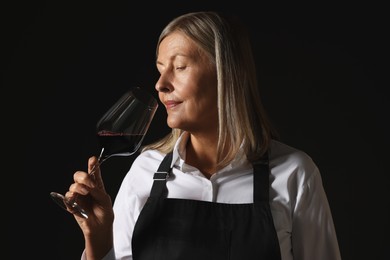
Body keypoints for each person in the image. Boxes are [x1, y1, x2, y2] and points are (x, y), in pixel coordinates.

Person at [64, 11, 342, 260]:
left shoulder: (294, 173)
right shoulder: (144, 172)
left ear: (225, 74)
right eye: (161, 69)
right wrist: (97, 239)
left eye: (180, 67)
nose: (161, 84)